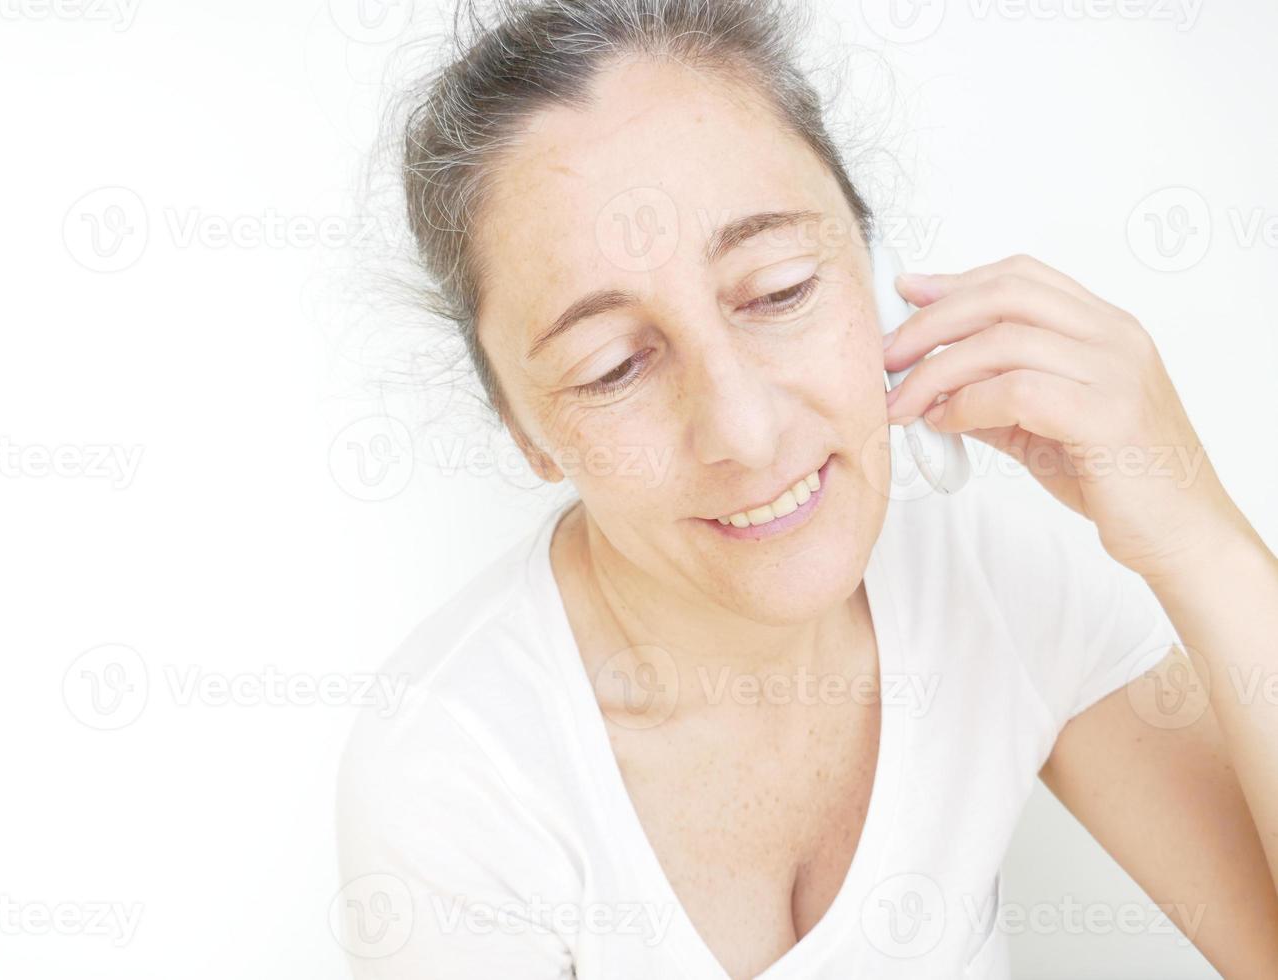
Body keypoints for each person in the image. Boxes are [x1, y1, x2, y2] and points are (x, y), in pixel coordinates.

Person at [334, 1, 1278, 976]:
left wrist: (1195, 533)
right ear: (525, 430)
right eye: (613, 364)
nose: (743, 430)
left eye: (778, 288)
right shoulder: (453, 778)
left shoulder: (994, 555)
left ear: (868, 263)